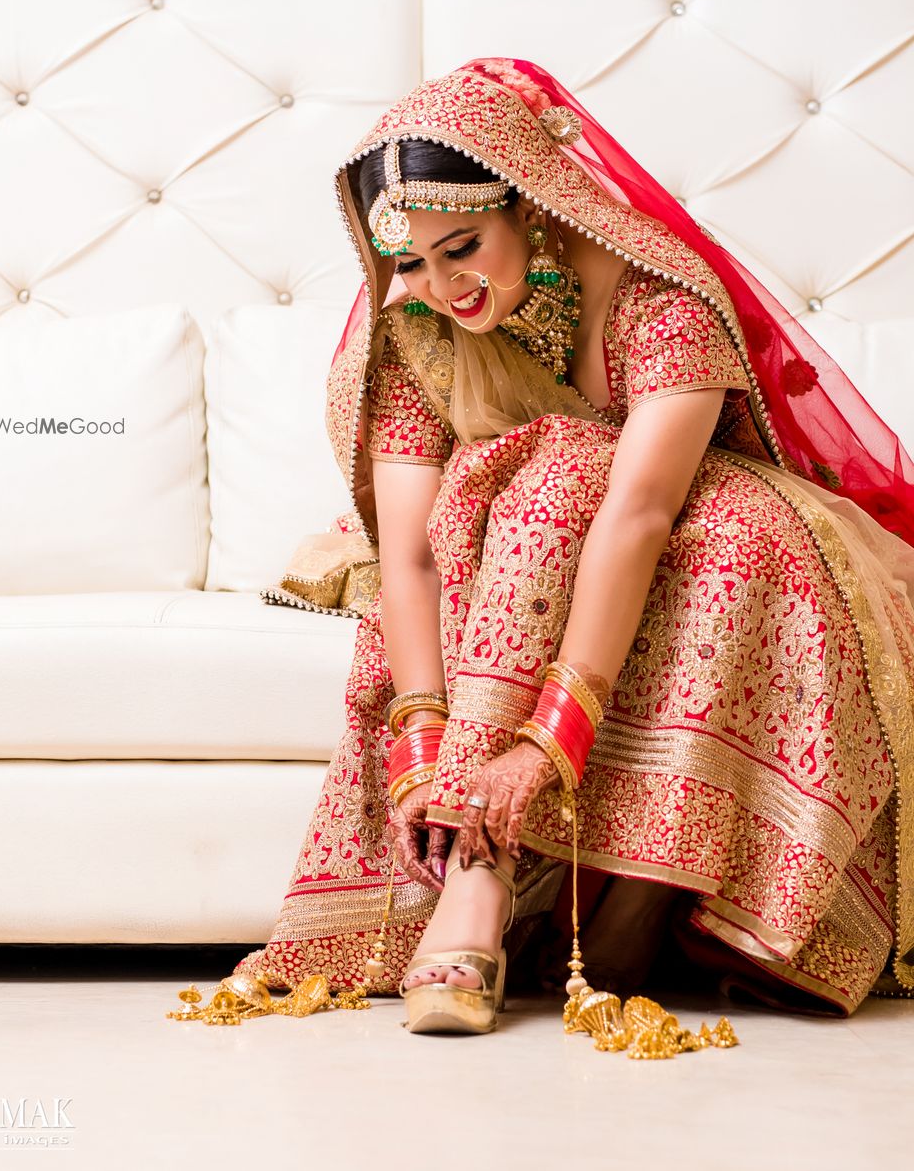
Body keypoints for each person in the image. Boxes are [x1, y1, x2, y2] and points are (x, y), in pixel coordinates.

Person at [216, 57, 914, 1034]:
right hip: (505, 545)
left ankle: (648, 893)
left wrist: (547, 748)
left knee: (638, 499)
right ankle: (480, 872)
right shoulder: (414, 327)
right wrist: (427, 750)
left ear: (532, 208)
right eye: (408, 261)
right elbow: (409, 551)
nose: (441, 285)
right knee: (532, 482)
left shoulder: (657, 305)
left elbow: (637, 512)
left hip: (692, 534)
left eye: (462, 247)